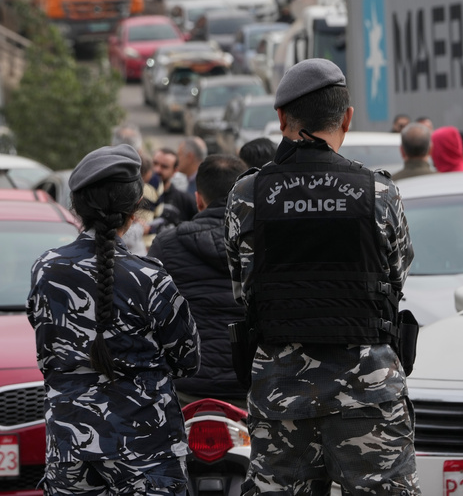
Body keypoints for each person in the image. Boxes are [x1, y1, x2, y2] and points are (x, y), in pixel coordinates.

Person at [224, 58, 418, 496]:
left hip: (280, 395)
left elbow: (243, 287)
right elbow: (397, 274)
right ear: (346, 117)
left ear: (281, 119)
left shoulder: (247, 194)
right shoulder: (379, 192)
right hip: (368, 395)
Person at [26, 144, 200, 496]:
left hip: (70, 443)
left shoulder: (46, 269)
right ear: (135, 209)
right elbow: (188, 359)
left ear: (76, 207)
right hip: (145, 446)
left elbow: (44, 339)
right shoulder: (149, 277)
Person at [148, 154, 248, 407]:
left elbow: (149, 315)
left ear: (198, 199)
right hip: (250, 384)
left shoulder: (166, 244)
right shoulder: (265, 244)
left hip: (185, 385)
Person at [151, 147, 197, 230]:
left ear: (175, 171)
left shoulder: (186, 201)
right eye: (155, 163)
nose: (157, 169)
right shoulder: (139, 195)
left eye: (164, 166)